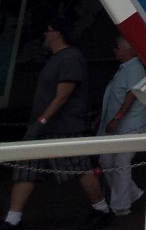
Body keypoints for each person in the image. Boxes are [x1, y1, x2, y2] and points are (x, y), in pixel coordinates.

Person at [4, 21, 115, 228]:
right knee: (26, 170)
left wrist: (41, 121)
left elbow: (62, 96)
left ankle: (102, 210)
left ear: (57, 33)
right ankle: (12, 219)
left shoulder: (71, 57)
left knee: (80, 169)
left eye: (47, 31)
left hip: (64, 128)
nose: (44, 35)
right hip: (44, 128)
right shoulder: (58, 58)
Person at [97, 35, 146, 216]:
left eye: (118, 47)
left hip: (131, 124)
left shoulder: (135, 68)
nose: (115, 50)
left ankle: (121, 206)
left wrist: (117, 118)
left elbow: (131, 95)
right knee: (106, 161)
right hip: (118, 125)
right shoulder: (124, 68)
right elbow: (114, 98)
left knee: (121, 162)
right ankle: (132, 193)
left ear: (130, 50)